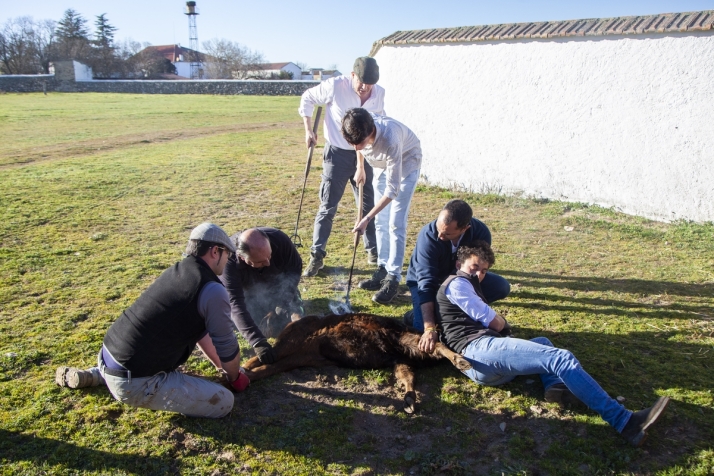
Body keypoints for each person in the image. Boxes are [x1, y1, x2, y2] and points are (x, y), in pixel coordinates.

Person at [434, 240, 669, 446]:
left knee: (544, 342)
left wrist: (501, 324)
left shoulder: (466, 284)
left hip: (485, 358)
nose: (479, 274)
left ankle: (556, 389)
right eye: (474, 267)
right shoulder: (457, 284)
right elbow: (496, 324)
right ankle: (625, 422)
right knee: (560, 357)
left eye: (484, 271)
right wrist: (502, 322)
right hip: (477, 354)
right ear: (459, 265)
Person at [55, 223, 249, 418]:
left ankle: (97, 375)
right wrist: (235, 377)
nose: (228, 261)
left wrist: (220, 367)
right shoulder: (213, 290)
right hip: (134, 382)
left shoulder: (179, 272)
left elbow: (202, 333)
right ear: (215, 251)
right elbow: (226, 345)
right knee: (223, 401)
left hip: (109, 355)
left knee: (138, 355)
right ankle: (125, 384)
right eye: (228, 255)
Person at [298, 56, 385, 276]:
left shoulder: (379, 93)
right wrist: (308, 129)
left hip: (364, 154)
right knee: (327, 206)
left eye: (370, 83)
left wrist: (363, 164)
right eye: (362, 82)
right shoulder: (336, 85)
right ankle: (316, 256)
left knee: (367, 205)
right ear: (352, 75)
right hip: (336, 154)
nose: (365, 88)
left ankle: (373, 251)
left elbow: (376, 126)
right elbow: (307, 98)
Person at [344, 108, 422, 304]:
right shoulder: (359, 124)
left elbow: (392, 191)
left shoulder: (391, 138)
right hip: (381, 165)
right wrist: (360, 167)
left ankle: (393, 277)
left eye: (357, 143)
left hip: (406, 163)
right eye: (351, 143)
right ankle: (382, 267)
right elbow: (360, 148)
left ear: (370, 132)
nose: (355, 148)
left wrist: (365, 218)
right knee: (381, 221)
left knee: (395, 222)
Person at [407, 199, 511, 345]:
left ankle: (448, 311)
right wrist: (429, 327)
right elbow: (426, 282)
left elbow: (480, 267)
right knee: (421, 331)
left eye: (447, 234)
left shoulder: (481, 232)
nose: (440, 237)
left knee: (501, 286)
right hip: (427, 281)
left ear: (465, 229)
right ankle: (418, 314)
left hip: (461, 280)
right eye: (439, 229)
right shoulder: (428, 236)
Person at [220, 227, 303, 364]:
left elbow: (295, 268)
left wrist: (285, 298)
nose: (268, 263)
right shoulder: (228, 262)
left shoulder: (280, 240)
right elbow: (235, 302)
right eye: (260, 261)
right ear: (242, 257)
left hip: (277, 284)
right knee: (249, 320)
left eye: (269, 256)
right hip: (247, 292)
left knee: (292, 312)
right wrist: (257, 341)